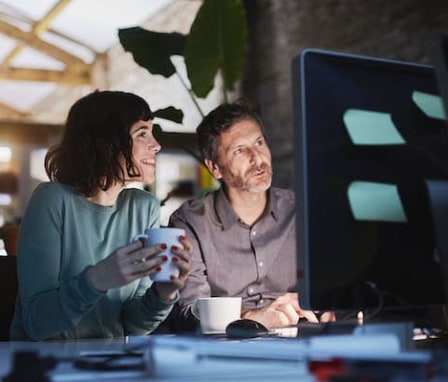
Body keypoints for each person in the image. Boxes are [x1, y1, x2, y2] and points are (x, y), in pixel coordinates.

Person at [9, 90, 192, 341]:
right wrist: (96, 280)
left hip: (110, 362)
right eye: (142, 134)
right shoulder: (52, 200)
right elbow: (36, 323)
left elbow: (134, 326)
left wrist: (164, 294)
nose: (156, 145)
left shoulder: (144, 207)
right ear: (107, 141)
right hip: (46, 364)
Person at [169, 99, 330, 332]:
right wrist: (253, 318)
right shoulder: (191, 222)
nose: (258, 159)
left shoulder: (302, 209)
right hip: (228, 347)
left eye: (259, 143)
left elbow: (333, 288)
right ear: (215, 167)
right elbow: (189, 312)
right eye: (240, 150)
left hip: (304, 337)